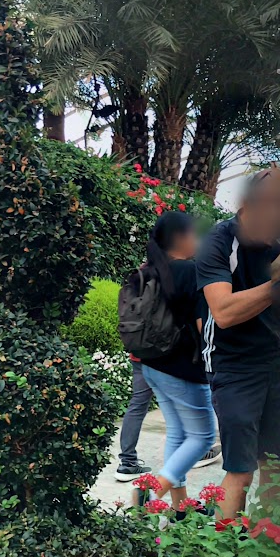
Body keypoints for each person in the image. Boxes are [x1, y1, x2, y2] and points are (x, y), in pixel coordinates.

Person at [196, 167, 280, 511]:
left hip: (278, 365)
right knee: (241, 470)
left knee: (277, 468)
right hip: (232, 366)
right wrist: (278, 277)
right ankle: (226, 550)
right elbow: (223, 313)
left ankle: (268, 547)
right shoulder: (219, 241)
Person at [122, 209, 216, 490]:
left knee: (178, 433)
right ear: (180, 237)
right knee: (203, 436)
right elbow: (204, 326)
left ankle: (180, 510)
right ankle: (149, 490)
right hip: (183, 369)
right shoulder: (190, 271)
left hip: (151, 365)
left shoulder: (145, 272)